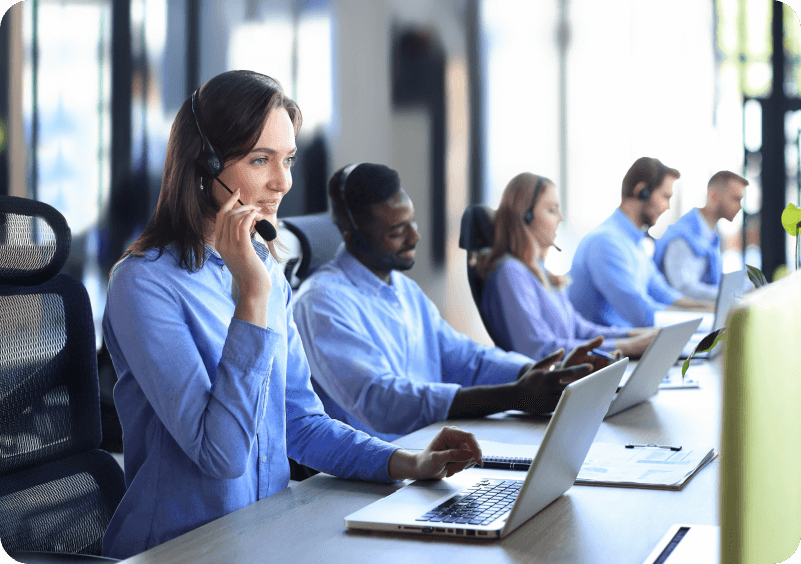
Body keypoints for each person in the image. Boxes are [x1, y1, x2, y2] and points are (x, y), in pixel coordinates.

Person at [101, 71, 483, 560]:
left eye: (287, 160)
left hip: (267, 535)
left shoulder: (264, 269)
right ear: (205, 166)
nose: (283, 183)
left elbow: (300, 421)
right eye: (260, 160)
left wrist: (406, 461)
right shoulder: (144, 285)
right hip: (183, 550)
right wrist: (253, 300)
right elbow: (222, 456)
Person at [292, 163, 606, 443]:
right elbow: (381, 402)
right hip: (377, 473)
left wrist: (544, 371)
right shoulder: (321, 302)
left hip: (432, 450)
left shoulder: (402, 288)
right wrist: (514, 396)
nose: (415, 238)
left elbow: (464, 357)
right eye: (398, 231)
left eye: (412, 223)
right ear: (352, 235)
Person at [476, 172, 657, 361]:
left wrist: (636, 336)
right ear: (526, 217)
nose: (560, 219)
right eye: (552, 210)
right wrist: (628, 347)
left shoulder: (541, 272)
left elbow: (580, 330)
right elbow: (539, 348)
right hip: (549, 385)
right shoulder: (511, 273)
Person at [568, 157, 712, 328]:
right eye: (665, 197)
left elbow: (663, 293)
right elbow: (642, 314)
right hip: (609, 350)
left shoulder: (635, 243)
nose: (667, 207)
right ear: (641, 191)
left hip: (632, 344)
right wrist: (706, 320)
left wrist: (709, 309)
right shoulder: (606, 242)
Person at [654, 170, 748, 301]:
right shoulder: (683, 238)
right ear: (713, 196)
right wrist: (731, 294)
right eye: (735, 199)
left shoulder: (712, 238)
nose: (739, 206)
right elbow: (683, 288)